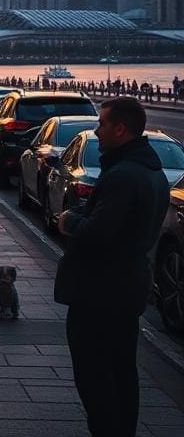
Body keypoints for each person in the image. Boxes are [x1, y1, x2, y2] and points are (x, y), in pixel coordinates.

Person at [54, 97, 169, 437]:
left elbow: (98, 231)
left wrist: (68, 220)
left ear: (121, 129)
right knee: (121, 372)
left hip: (100, 292)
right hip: (126, 286)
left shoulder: (123, 175)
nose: (96, 129)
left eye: (102, 123)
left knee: (95, 377)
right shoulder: (150, 170)